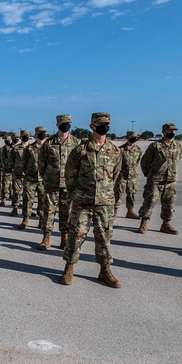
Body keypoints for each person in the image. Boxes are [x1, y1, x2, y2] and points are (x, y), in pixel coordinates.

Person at [59, 112, 123, 288]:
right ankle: (69, 268)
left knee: (104, 237)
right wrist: (76, 195)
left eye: (107, 124)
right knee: (75, 235)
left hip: (105, 203)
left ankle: (105, 271)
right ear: (92, 126)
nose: (105, 127)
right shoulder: (80, 150)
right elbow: (70, 175)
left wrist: (111, 197)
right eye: (101, 124)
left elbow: (116, 177)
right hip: (83, 202)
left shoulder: (115, 151)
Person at [37, 115, 80, 250]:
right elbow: (41, 163)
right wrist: (47, 177)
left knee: (66, 212)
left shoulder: (76, 142)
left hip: (68, 185)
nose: (66, 125)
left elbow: (79, 164)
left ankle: (64, 238)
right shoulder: (49, 143)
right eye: (63, 123)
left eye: (68, 123)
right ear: (57, 125)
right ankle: (46, 237)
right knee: (48, 211)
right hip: (51, 184)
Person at [137, 123, 182, 234]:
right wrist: (149, 175)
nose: (172, 132)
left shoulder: (178, 145)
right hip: (155, 180)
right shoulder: (155, 146)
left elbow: (178, 160)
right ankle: (144, 223)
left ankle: (165, 224)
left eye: (174, 130)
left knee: (169, 203)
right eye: (170, 130)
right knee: (150, 201)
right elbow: (145, 162)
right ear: (164, 131)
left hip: (171, 180)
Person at [19, 126, 47, 229]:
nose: (42, 134)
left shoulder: (48, 147)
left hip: (43, 180)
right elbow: (23, 162)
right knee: (27, 200)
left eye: (44, 132)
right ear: (36, 135)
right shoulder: (29, 148)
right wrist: (25, 173)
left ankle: (41, 220)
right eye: (40, 133)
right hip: (30, 179)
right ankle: (25, 219)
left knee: (43, 201)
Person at [114, 131, 142, 219]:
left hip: (133, 176)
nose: (134, 138)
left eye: (135, 137)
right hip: (122, 176)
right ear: (127, 137)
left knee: (132, 194)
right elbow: (116, 163)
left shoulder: (138, 149)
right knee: (118, 194)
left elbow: (137, 162)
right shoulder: (120, 150)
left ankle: (130, 211)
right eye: (132, 137)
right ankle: (114, 212)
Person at [9, 130, 29, 216]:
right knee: (16, 192)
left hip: (29, 175)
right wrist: (13, 169)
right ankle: (15, 208)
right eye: (24, 136)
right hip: (17, 174)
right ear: (21, 137)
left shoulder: (31, 148)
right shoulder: (15, 149)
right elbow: (11, 160)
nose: (26, 137)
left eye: (27, 135)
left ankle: (28, 210)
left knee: (28, 194)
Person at [0, 137, 14, 207]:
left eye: (9, 140)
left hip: (13, 170)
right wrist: (2, 165)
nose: (8, 141)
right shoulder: (2, 149)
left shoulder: (13, 148)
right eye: (7, 140)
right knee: (4, 183)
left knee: (12, 184)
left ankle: (12, 195)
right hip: (5, 169)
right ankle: (2, 197)